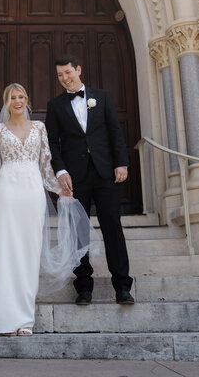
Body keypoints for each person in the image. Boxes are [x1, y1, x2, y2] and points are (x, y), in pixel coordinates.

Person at [0, 83, 96, 336]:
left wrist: (58, 187)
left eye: (21, 97)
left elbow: (45, 163)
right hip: (8, 192)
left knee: (28, 253)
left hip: (32, 192)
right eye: (12, 98)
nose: (17, 101)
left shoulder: (39, 128)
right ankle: (4, 315)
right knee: (6, 253)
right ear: (6, 103)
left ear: (27, 101)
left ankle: (25, 319)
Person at [45, 55, 134, 305]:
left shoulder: (102, 97)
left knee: (112, 228)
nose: (64, 78)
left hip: (106, 173)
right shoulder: (55, 105)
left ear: (79, 70)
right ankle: (83, 287)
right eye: (60, 75)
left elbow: (115, 131)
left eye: (68, 72)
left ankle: (123, 287)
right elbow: (52, 142)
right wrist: (61, 171)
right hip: (75, 177)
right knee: (78, 232)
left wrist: (121, 162)